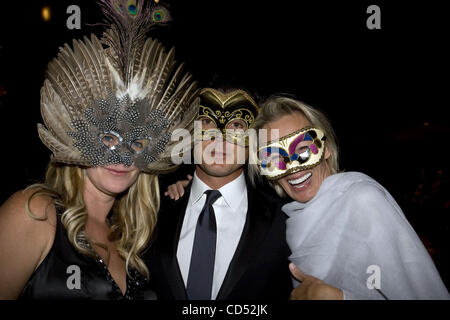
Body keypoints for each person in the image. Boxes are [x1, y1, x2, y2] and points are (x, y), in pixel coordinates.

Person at [0, 0, 198, 299]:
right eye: (108, 138)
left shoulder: (133, 238)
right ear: (78, 139)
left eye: (137, 143)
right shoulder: (34, 212)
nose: (122, 156)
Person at [250, 95, 450, 300]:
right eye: (275, 159)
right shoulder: (292, 223)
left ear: (326, 148)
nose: (293, 169)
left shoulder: (363, 201)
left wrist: (339, 298)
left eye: (302, 149)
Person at [146, 87, 293, 300]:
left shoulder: (285, 219)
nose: (220, 137)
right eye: (207, 122)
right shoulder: (148, 212)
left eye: (236, 125)